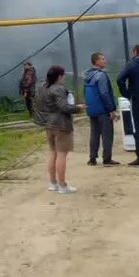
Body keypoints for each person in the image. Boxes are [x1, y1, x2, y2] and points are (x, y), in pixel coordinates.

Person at [35, 65, 83, 194]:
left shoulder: (41, 87)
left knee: (52, 153)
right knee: (62, 154)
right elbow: (65, 107)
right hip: (61, 125)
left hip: (48, 124)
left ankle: (53, 183)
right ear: (59, 76)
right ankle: (63, 185)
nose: (64, 78)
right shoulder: (59, 89)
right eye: (63, 75)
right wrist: (78, 107)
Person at [82, 53, 119, 167]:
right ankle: (107, 159)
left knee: (94, 134)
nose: (105, 61)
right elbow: (104, 93)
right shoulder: (101, 75)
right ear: (96, 61)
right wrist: (111, 109)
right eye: (102, 59)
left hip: (92, 109)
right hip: (103, 110)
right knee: (107, 134)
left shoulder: (87, 75)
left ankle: (92, 158)